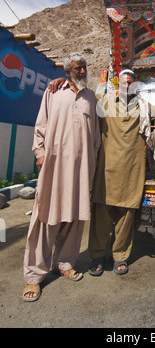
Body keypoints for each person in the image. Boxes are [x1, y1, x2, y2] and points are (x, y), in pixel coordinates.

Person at [22, 53, 100, 302]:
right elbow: (41, 125)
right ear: (68, 71)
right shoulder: (53, 91)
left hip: (81, 168)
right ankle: (34, 276)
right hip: (55, 165)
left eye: (84, 67)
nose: (82, 71)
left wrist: (93, 160)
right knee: (46, 217)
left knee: (75, 217)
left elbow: (95, 136)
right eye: (78, 68)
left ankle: (64, 263)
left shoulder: (90, 96)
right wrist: (40, 153)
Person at [88, 69, 151, 276]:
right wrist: (63, 81)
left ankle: (120, 256)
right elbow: (82, 98)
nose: (127, 86)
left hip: (131, 171)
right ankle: (97, 255)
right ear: (118, 84)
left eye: (131, 83)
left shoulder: (143, 106)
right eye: (124, 83)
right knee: (102, 213)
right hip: (107, 170)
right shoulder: (104, 101)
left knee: (126, 215)